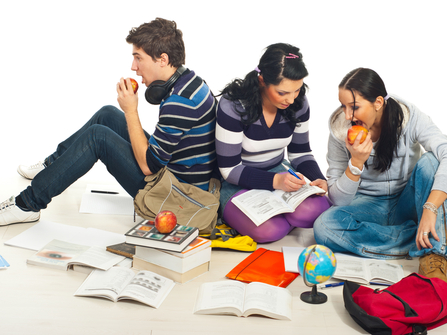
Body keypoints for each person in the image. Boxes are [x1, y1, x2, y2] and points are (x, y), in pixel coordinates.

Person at [0, 18, 217, 226]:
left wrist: (131, 111)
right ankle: (51, 166)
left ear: (163, 59)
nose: (133, 67)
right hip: (172, 172)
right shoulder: (190, 82)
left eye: (138, 58)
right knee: (108, 114)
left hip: (176, 194)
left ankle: (27, 205)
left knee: (97, 137)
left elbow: (148, 166)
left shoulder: (180, 102)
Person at [313, 68, 447, 282]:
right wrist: (355, 163)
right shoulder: (340, 130)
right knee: (324, 227)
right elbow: (339, 200)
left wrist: (430, 208)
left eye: (354, 107)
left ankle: (435, 255)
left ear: (378, 102)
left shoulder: (409, 117)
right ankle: (422, 240)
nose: (348, 116)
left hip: (408, 201)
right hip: (367, 205)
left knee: (432, 160)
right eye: (343, 106)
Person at [216, 43, 330, 243]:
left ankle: (277, 214)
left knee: (319, 209)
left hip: (280, 174)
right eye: (282, 92)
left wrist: (318, 178)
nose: (292, 99)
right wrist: (275, 181)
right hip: (238, 182)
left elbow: (300, 153)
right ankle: (279, 217)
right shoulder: (233, 106)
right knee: (270, 231)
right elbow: (230, 170)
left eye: (297, 90)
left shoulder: (299, 103)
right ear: (262, 81)